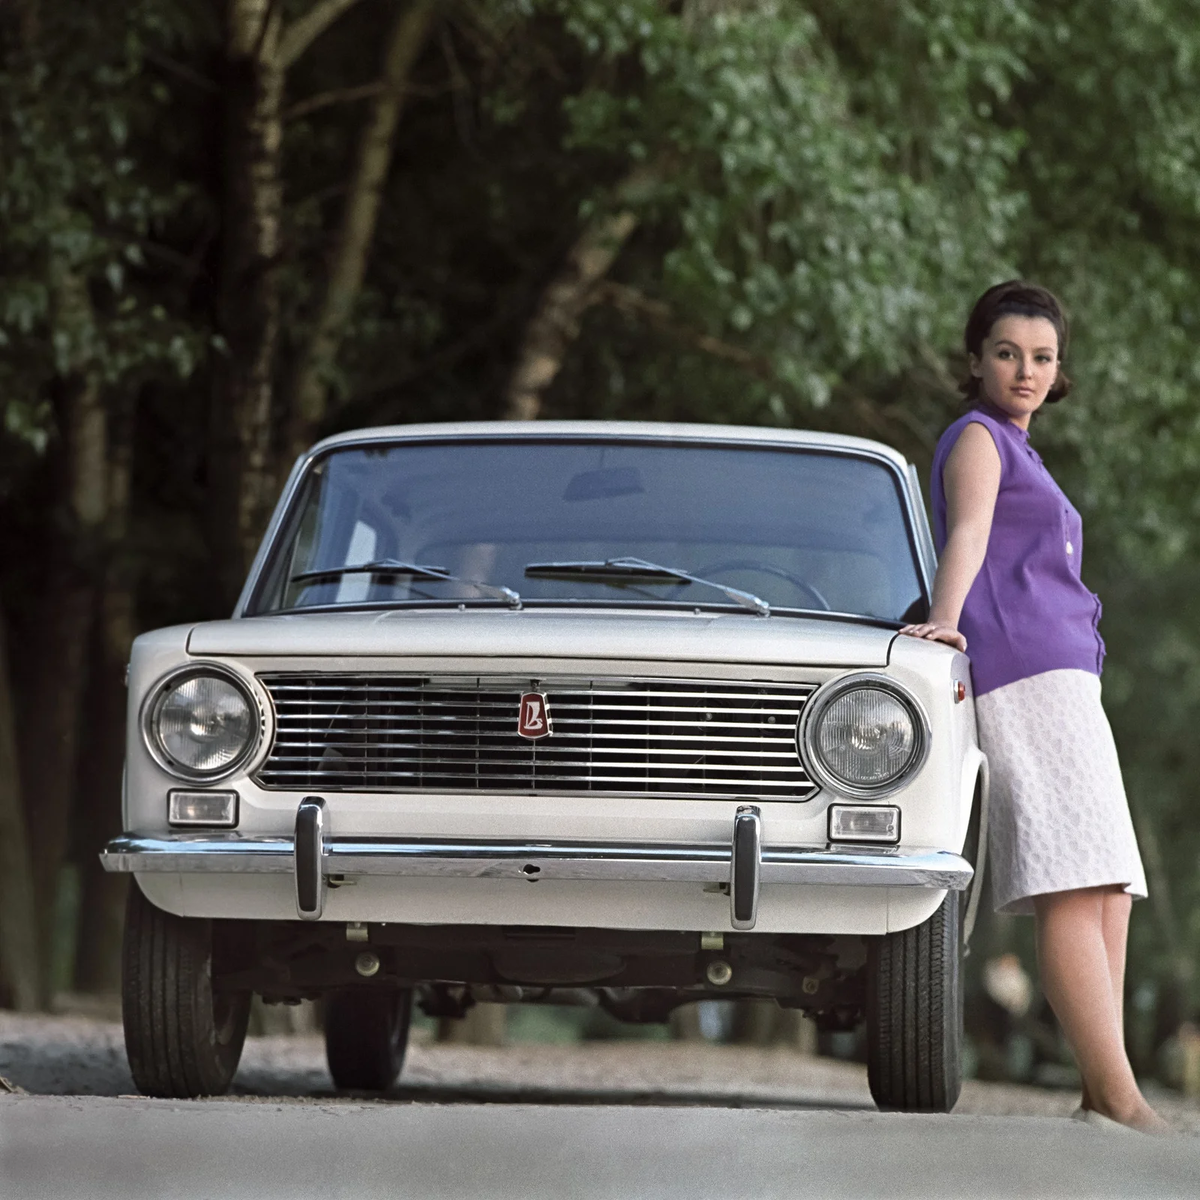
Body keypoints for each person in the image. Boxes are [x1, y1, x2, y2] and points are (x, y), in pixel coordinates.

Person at [901, 281, 1169, 1134]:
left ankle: (1102, 1088)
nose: (1026, 370)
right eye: (1008, 353)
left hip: (1067, 674)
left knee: (1110, 887)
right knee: (1070, 882)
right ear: (976, 359)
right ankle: (1121, 1099)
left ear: (1059, 371)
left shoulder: (1023, 448)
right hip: (1025, 673)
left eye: (1043, 357)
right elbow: (969, 533)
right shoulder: (980, 438)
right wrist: (944, 620)